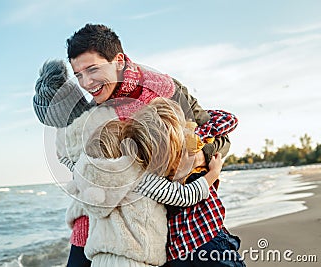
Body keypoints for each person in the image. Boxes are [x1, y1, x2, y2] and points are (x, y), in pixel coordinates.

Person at [33, 23, 234, 266]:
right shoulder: (95, 110)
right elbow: (86, 170)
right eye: (78, 75)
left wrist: (199, 156)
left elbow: (218, 136)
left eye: (92, 69)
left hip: (187, 226)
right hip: (124, 230)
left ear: (118, 61)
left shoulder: (164, 90)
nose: (86, 83)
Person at [61, 97, 225, 266]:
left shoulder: (87, 181)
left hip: (99, 260)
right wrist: (213, 172)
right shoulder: (137, 178)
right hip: (134, 262)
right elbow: (183, 195)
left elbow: (68, 165)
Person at [124, 98, 245, 267]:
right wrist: (214, 172)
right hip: (207, 236)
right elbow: (229, 120)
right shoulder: (191, 144)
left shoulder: (148, 171)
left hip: (175, 253)